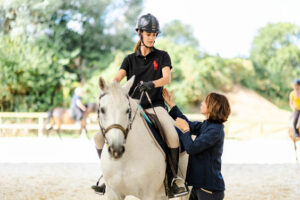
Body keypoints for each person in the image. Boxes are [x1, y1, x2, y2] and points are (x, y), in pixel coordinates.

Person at [92, 13, 186, 196]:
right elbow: (117, 78)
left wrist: (152, 84)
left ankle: (174, 179)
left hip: (155, 107)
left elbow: (167, 78)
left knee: (173, 136)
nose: (152, 38)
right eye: (148, 34)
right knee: (97, 137)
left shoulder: (162, 56)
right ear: (139, 33)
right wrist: (112, 89)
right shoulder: (129, 59)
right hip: (133, 107)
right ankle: (105, 176)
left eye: (154, 35)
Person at [163, 88, 231, 200]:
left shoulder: (215, 130)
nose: (201, 103)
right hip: (199, 186)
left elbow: (192, 148)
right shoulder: (207, 125)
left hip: (209, 190)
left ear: (213, 106)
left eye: (205, 101)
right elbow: (187, 123)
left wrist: (185, 131)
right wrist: (172, 105)